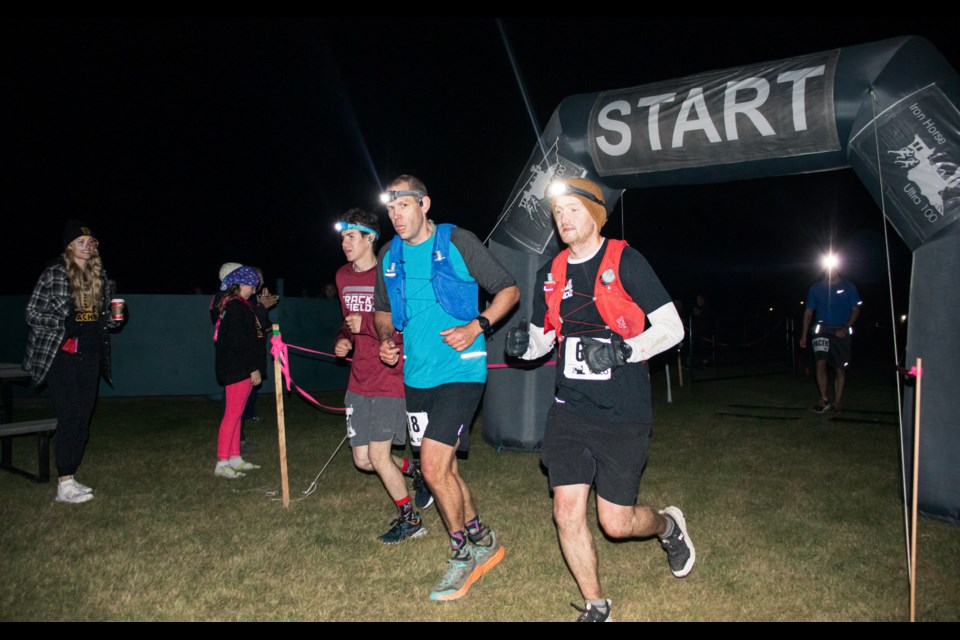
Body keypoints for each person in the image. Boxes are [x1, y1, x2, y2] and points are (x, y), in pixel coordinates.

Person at [505, 178, 694, 622]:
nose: (564, 219)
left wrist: (624, 350)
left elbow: (673, 328)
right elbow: (542, 339)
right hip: (570, 409)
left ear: (594, 214)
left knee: (616, 523)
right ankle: (596, 606)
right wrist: (523, 346)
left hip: (623, 412)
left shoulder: (627, 260)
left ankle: (668, 526)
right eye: (558, 212)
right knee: (565, 510)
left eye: (573, 209)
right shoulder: (550, 272)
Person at [374, 175, 519, 601]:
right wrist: (387, 339)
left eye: (403, 206)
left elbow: (508, 289)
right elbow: (384, 310)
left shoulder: (459, 241)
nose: (396, 216)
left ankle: (462, 556)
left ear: (424, 204)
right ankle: (482, 535)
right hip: (416, 377)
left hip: (462, 370)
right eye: (391, 209)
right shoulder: (389, 254)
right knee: (446, 470)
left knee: (434, 468)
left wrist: (478, 324)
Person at [334, 207, 433, 544]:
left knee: (378, 455)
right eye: (343, 237)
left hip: (390, 377)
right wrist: (344, 340)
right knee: (364, 460)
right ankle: (416, 471)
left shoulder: (392, 276)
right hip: (358, 380)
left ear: (369, 239)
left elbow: (407, 331)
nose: (345, 243)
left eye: (350, 236)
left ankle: (411, 520)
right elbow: (347, 322)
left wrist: (371, 331)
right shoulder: (342, 277)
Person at [24, 220, 125, 504]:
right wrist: (62, 322)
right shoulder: (54, 274)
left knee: (83, 416)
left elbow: (101, 318)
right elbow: (32, 313)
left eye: (90, 242)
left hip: (89, 355)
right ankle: (64, 483)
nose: (86, 246)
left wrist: (114, 321)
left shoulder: (99, 276)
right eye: (80, 242)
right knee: (69, 415)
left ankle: (70, 473)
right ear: (69, 247)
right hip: (62, 354)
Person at [212, 265, 264, 479]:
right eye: (252, 286)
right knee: (231, 415)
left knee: (237, 414)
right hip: (237, 369)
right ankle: (222, 461)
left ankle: (235, 458)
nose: (254, 290)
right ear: (242, 284)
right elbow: (239, 342)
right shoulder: (236, 307)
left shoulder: (234, 305)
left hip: (235, 367)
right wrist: (252, 367)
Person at [798, 261, 862, 414]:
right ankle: (823, 398)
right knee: (820, 363)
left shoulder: (849, 286)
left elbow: (856, 309)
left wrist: (846, 327)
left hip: (841, 331)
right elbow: (808, 312)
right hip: (821, 330)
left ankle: (837, 402)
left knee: (840, 368)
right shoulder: (815, 288)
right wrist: (804, 334)